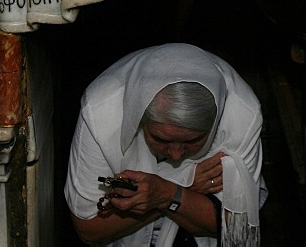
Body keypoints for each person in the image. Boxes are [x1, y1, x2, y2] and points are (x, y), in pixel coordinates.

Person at [65, 43, 265, 245]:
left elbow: (238, 228)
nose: (177, 155)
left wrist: (166, 194)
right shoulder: (101, 111)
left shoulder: (242, 115)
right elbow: (88, 229)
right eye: (161, 139)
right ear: (139, 120)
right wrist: (177, 189)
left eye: (193, 141)